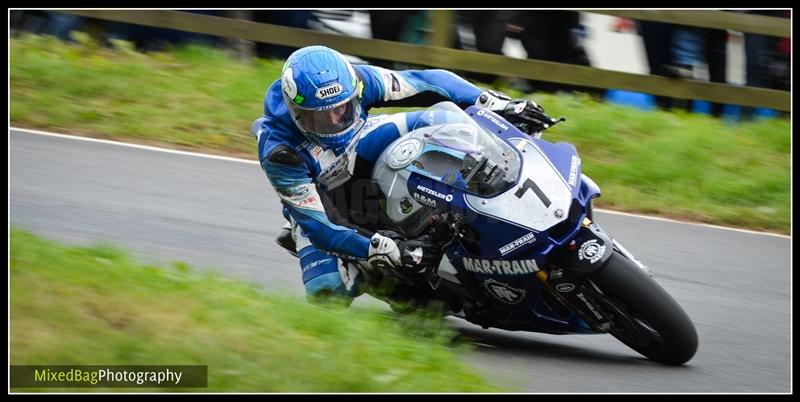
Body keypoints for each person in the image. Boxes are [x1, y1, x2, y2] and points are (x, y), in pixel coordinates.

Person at [253, 45, 552, 305]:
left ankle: (495, 184)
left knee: (444, 118)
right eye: (319, 117)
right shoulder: (279, 151)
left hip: (362, 143)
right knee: (328, 294)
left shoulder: (355, 80)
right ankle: (378, 276)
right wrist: (381, 248)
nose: (334, 122)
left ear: (353, 94)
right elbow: (322, 226)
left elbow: (426, 82)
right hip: (321, 196)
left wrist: (490, 100)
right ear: (295, 111)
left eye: (343, 110)